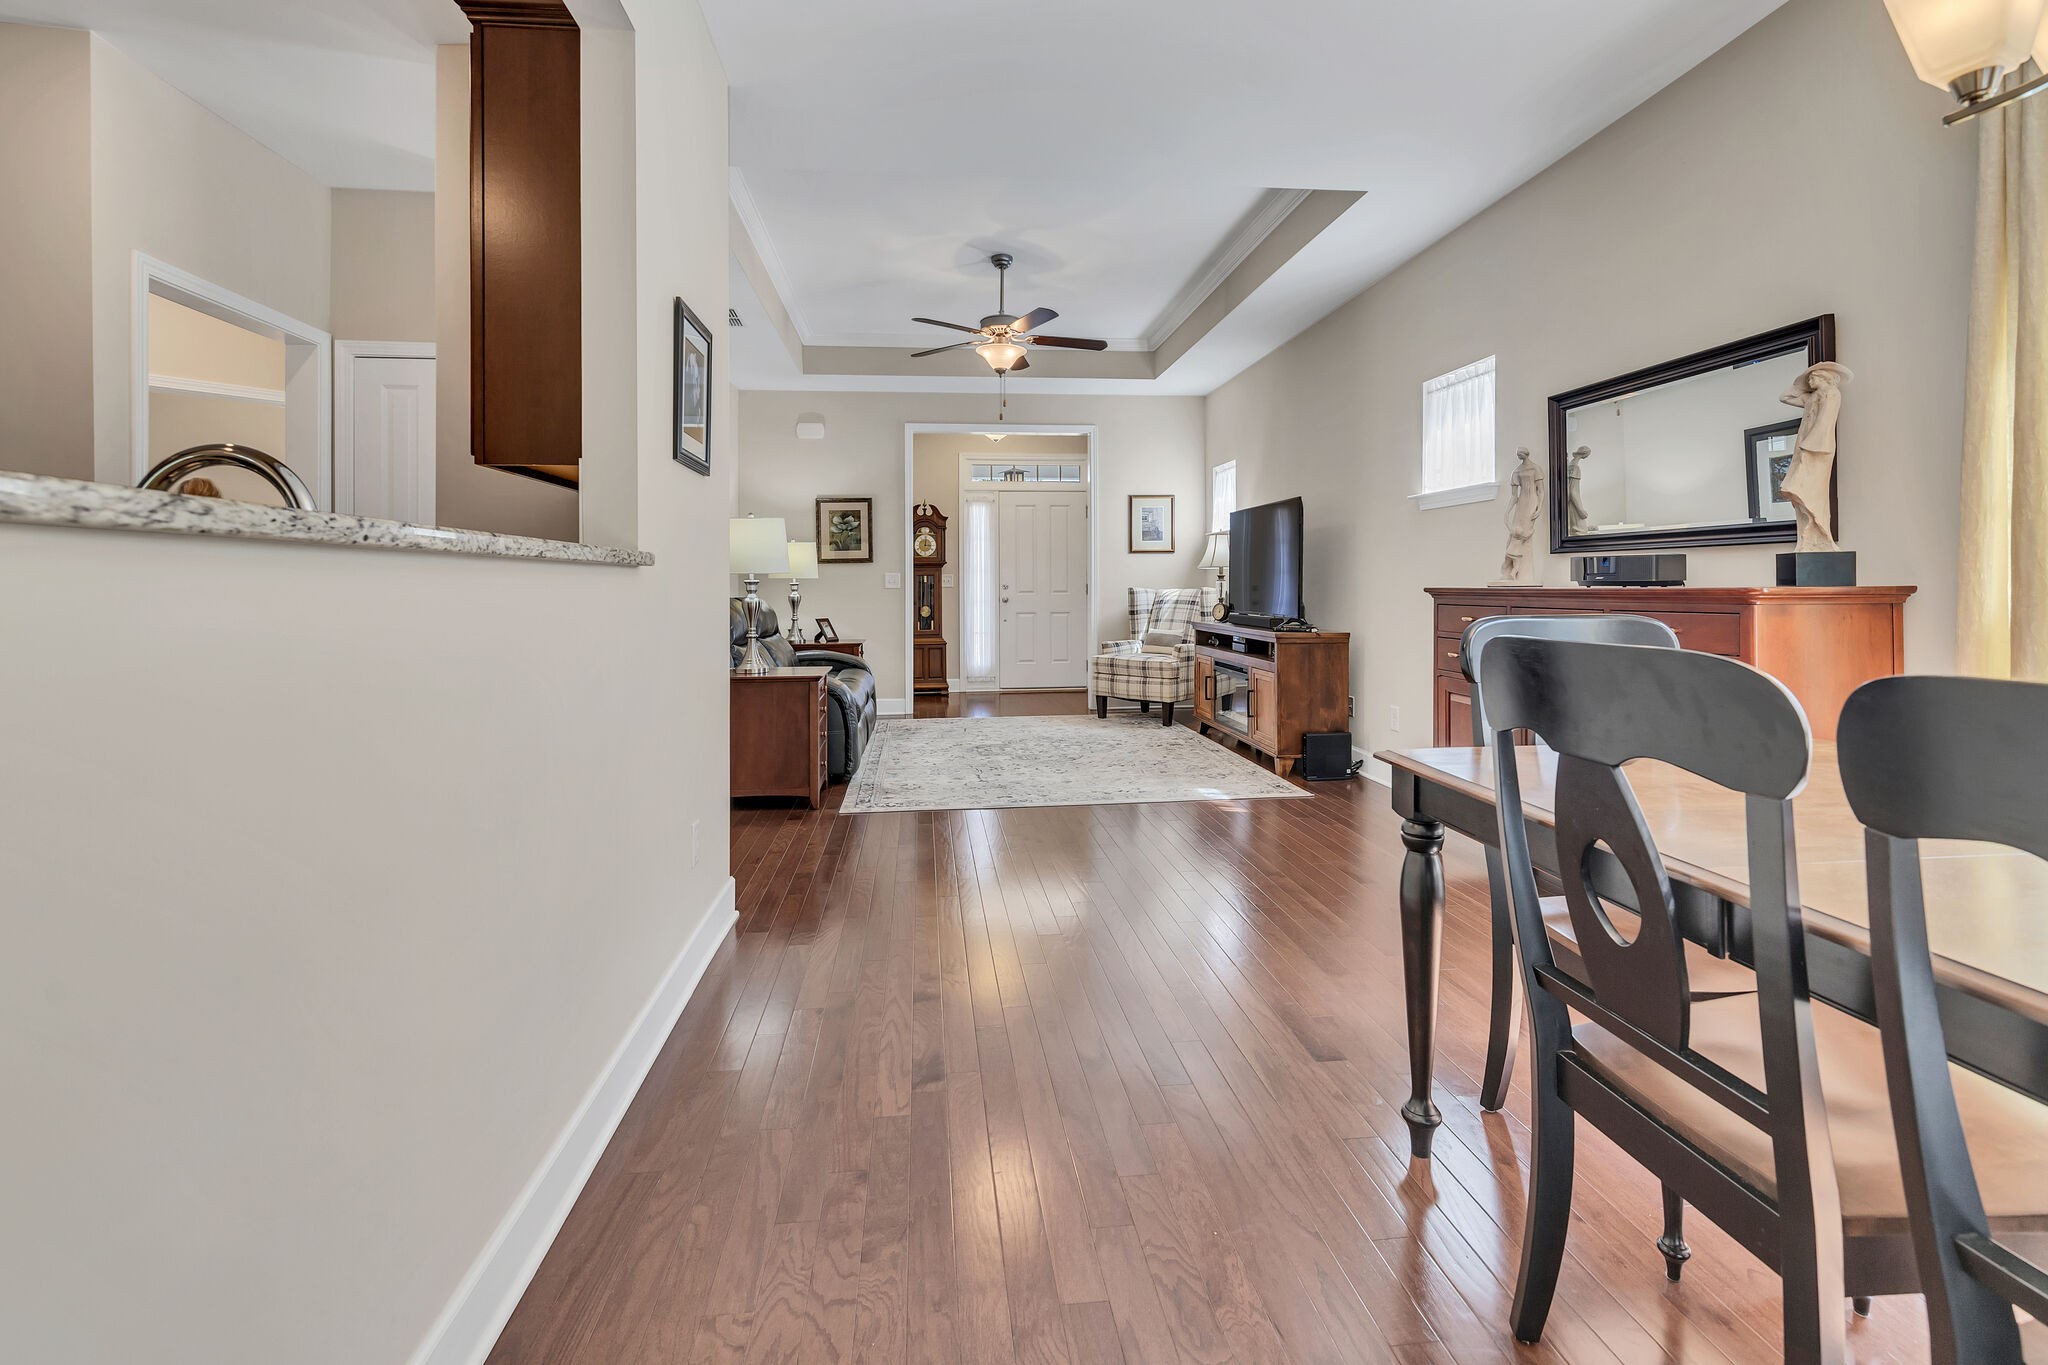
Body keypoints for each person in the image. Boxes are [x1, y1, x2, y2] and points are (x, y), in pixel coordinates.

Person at [1777, 361, 1852, 551]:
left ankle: (1820, 536)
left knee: (1807, 489)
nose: (1809, 381)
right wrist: (1801, 383)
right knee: (1797, 490)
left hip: (1816, 448)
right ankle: (1807, 538)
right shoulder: (1812, 397)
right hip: (1805, 447)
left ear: (1825, 378)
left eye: (1813, 377)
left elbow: (1825, 422)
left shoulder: (1831, 393)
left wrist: (1811, 446)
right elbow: (1784, 397)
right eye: (1808, 378)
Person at [1498, 448, 1543, 582]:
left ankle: (1523, 573)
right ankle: (1508, 570)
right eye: (1517, 454)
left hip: (1531, 502)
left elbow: (1541, 491)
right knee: (1513, 534)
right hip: (1521, 503)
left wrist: (1539, 506)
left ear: (1525, 454)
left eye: (1520, 454)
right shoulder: (1516, 471)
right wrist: (1508, 511)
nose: (1518, 456)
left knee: (1525, 535)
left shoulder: (1535, 469)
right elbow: (1514, 496)